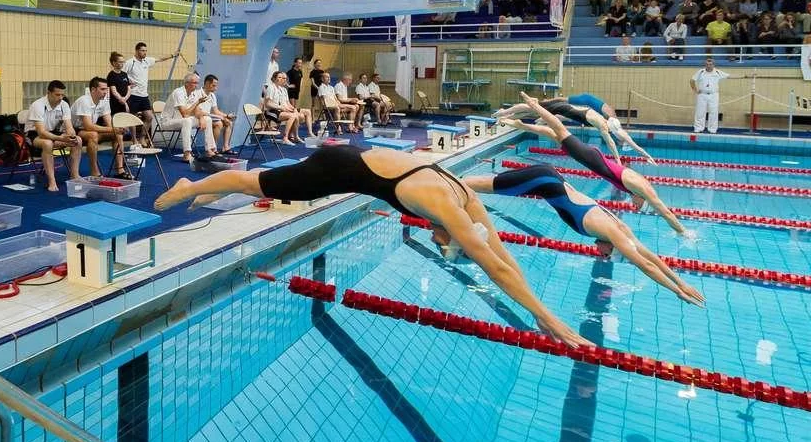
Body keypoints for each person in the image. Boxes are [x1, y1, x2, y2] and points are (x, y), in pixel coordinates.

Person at [153, 145, 592, 347]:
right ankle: (191, 185)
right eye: (447, 245)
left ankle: (207, 191)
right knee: (254, 182)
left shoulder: (467, 198)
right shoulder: (449, 209)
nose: (440, 244)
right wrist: (546, 318)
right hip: (338, 168)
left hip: (354, 158)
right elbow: (494, 269)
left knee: (265, 184)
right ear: (453, 233)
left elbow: (502, 256)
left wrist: (533, 299)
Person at [464, 166, 704, 305]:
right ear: (614, 248)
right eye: (607, 255)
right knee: (474, 185)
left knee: (477, 185)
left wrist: (682, 282)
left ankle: (447, 181)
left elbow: (651, 256)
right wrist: (677, 290)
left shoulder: (620, 229)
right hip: (543, 181)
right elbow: (646, 266)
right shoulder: (613, 232)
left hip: (549, 179)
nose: (602, 255)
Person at [499, 94, 688, 235]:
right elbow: (665, 212)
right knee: (559, 130)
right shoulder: (643, 188)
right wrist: (682, 231)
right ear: (643, 198)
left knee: (556, 135)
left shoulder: (636, 188)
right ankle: (533, 106)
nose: (635, 206)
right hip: (591, 159)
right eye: (639, 206)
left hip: (593, 158)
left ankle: (521, 125)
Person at [497, 97, 622, 163]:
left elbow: (564, 115)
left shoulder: (596, 118)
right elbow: (610, 142)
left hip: (562, 109)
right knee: (531, 107)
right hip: (560, 108)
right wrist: (617, 159)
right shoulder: (601, 123)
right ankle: (505, 112)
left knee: (533, 110)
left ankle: (507, 116)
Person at [564, 92, 656, 163]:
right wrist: (647, 156)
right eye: (621, 144)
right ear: (623, 143)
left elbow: (616, 144)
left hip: (593, 117)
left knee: (567, 113)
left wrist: (647, 156)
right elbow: (637, 148)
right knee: (567, 111)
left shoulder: (616, 133)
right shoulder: (622, 135)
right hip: (594, 114)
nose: (619, 144)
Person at [26, 80, 83, 192]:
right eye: (57, 95)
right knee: (47, 143)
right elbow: (41, 132)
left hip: (53, 133)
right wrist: (61, 138)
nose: (60, 97)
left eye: (62, 95)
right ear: (49, 93)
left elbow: (69, 126)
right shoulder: (38, 105)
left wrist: (71, 135)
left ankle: (75, 175)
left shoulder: (64, 105)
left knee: (78, 140)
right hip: (34, 135)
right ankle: (52, 181)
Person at [74, 77, 130, 178]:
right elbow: (88, 126)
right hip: (75, 130)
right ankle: (95, 171)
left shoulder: (104, 101)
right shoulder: (84, 101)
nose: (105, 92)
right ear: (93, 90)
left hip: (90, 129)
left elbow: (109, 124)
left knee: (118, 135)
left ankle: (120, 170)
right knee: (93, 135)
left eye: (106, 89)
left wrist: (119, 129)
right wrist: (113, 129)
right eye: (102, 89)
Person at [124, 42, 179, 144]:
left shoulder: (147, 61)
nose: (144, 53)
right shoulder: (130, 62)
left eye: (145, 51)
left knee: (149, 117)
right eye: (142, 50)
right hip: (133, 95)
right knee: (133, 119)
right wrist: (127, 82)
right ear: (136, 51)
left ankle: (142, 137)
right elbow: (122, 74)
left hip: (144, 95)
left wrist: (172, 55)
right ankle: (134, 140)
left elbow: (160, 59)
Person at [161, 73, 216, 162]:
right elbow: (184, 113)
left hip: (184, 120)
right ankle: (187, 153)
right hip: (169, 121)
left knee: (207, 119)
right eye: (194, 83)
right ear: (187, 83)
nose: (196, 85)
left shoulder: (193, 93)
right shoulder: (178, 92)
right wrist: (197, 102)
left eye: (197, 83)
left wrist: (201, 118)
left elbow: (197, 110)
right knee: (187, 121)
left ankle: (209, 149)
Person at [690, 57, 730, 135]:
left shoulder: (717, 72)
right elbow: (692, 80)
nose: (709, 66)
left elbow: (729, 76)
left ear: (713, 65)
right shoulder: (701, 72)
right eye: (707, 64)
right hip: (702, 94)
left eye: (710, 64)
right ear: (705, 65)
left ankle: (712, 129)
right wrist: (695, 90)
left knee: (713, 112)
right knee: (700, 112)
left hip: (714, 95)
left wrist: (744, 76)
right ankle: (698, 128)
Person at [198, 74, 235, 153]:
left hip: (208, 117)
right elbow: (200, 112)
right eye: (214, 85)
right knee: (219, 123)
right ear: (207, 83)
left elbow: (216, 111)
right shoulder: (198, 94)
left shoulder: (212, 95)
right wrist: (219, 117)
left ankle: (225, 147)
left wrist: (227, 116)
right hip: (199, 117)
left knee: (229, 122)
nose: (216, 88)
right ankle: (212, 148)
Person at [262, 70, 299, 144]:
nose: (281, 79)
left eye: (282, 78)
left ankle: (295, 136)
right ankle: (285, 138)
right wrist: (280, 107)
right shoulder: (271, 88)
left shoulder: (280, 89)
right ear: (274, 78)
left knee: (296, 115)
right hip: (270, 111)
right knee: (292, 116)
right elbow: (267, 104)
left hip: (278, 110)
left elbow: (286, 103)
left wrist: (292, 109)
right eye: (279, 77)